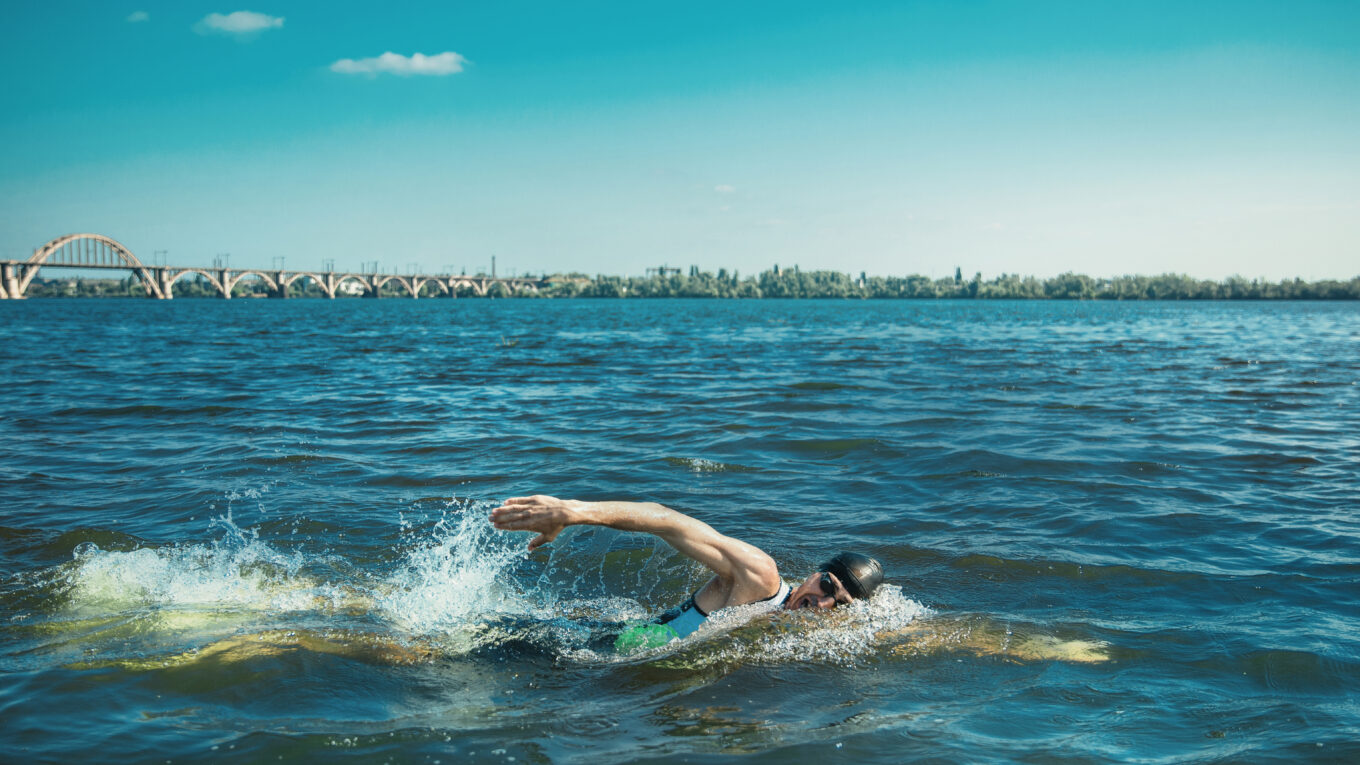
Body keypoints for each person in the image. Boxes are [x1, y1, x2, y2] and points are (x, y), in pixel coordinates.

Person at [490, 495, 884, 652]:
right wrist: (575, 512)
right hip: (594, 646)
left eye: (838, 604)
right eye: (827, 584)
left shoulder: (808, 626)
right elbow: (671, 521)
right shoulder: (762, 580)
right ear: (816, 573)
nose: (822, 602)